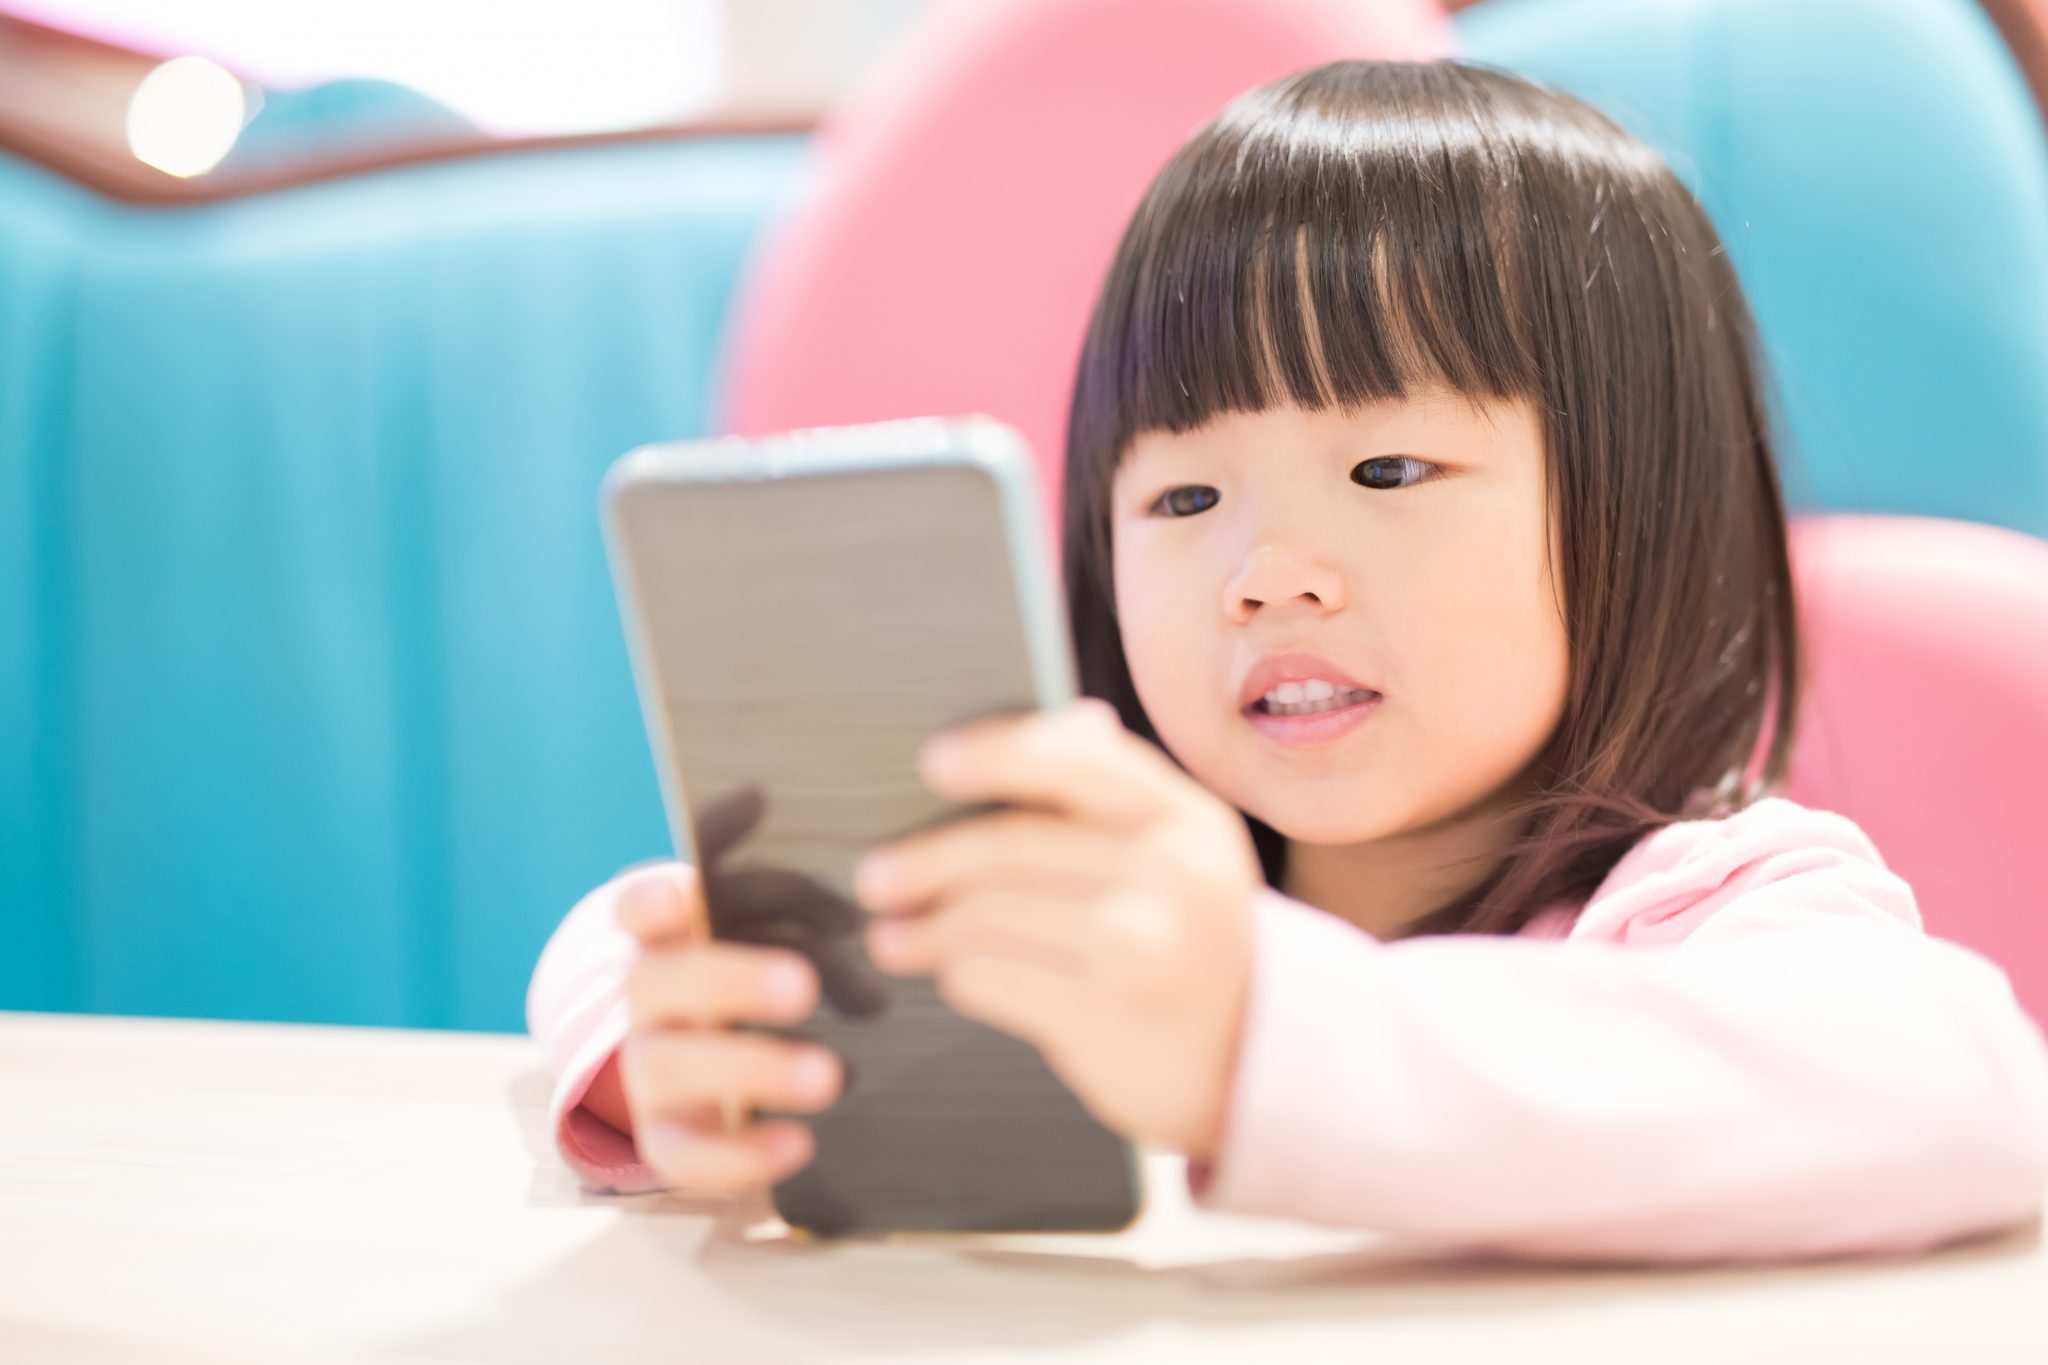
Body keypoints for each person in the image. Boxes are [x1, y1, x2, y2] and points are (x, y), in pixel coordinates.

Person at [525, 60, 2048, 1263]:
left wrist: (1251, 1032)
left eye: (1387, 472)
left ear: (1633, 513)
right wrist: (671, 1039)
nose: (1266, 576)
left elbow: (1966, 1095)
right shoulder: (1106, 889)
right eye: (1184, 498)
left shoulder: (1716, 904)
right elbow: (624, 926)